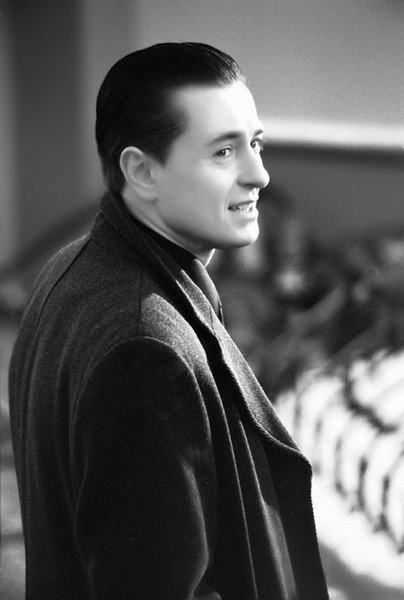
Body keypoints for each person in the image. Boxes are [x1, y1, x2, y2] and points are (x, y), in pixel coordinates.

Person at [8, 42, 329, 600]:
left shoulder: (74, 268)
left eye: (255, 144)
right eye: (223, 152)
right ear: (141, 171)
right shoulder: (145, 351)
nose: (259, 175)